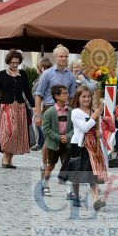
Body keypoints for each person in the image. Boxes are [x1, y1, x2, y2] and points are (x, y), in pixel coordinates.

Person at [0, 49, 34, 168]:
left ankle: (8, 159)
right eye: (13, 62)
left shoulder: (23, 74)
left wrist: (35, 107)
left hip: (20, 108)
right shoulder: (2, 74)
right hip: (5, 107)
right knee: (9, 132)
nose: (15, 64)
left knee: (17, 133)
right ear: (8, 62)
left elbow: (28, 92)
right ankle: (5, 156)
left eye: (17, 62)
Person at [35, 44, 76, 179]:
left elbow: (71, 97)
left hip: (64, 109)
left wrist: (71, 113)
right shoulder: (47, 74)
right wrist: (38, 115)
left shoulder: (71, 76)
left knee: (64, 139)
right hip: (49, 108)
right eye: (61, 56)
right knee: (49, 139)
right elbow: (39, 94)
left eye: (66, 56)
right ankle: (44, 163)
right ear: (55, 57)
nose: (63, 59)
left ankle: (60, 167)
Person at [70, 85, 107, 210]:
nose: (86, 99)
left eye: (88, 97)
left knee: (93, 172)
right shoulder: (75, 113)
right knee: (77, 172)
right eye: (83, 97)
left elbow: (99, 128)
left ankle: (96, 200)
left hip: (93, 145)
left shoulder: (93, 111)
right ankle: (75, 196)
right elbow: (84, 128)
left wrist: (100, 133)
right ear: (78, 98)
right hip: (79, 144)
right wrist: (94, 116)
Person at [42, 85, 74, 199]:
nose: (67, 95)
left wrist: (67, 136)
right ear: (56, 96)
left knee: (67, 166)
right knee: (51, 165)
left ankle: (69, 191)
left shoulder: (70, 111)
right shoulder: (49, 112)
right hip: (54, 144)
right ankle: (45, 186)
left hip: (67, 143)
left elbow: (73, 128)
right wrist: (59, 137)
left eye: (67, 93)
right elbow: (46, 129)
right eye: (64, 93)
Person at [31, 57, 52, 151]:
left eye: (39, 67)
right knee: (37, 123)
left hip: (42, 103)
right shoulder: (41, 77)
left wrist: (38, 106)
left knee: (39, 123)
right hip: (38, 103)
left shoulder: (44, 77)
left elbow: (40, 93)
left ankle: (40, 143)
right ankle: (40, 142)